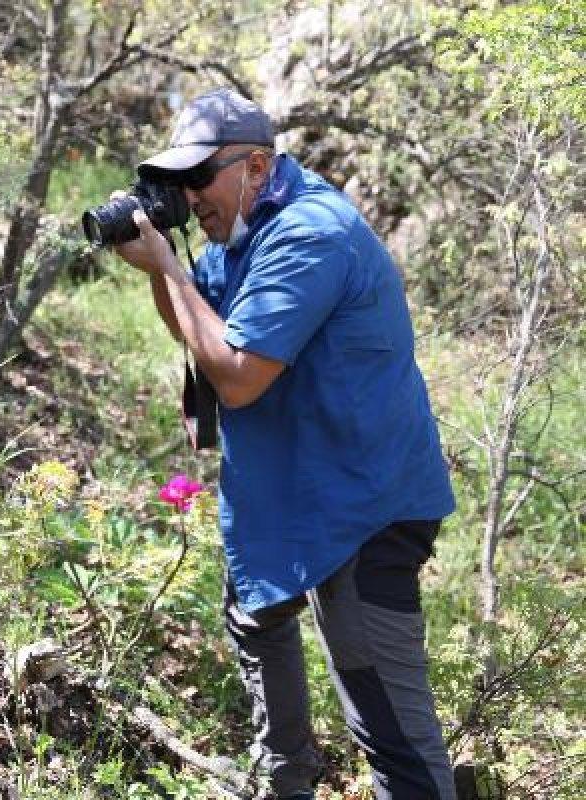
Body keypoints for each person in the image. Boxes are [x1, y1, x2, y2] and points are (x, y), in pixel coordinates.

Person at [112, 87, 458, 800]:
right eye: (178, 180)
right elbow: (196, 329)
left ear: (259, 168)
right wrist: (163, 267)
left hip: (363, 510)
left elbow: (236, 378)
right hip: (290, 492)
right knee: (254, 617)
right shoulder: (239, 233)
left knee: (387, 726)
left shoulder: (309, 234)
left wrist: (170, 269)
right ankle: (286, 780)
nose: (190, 194)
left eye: (200, 176)